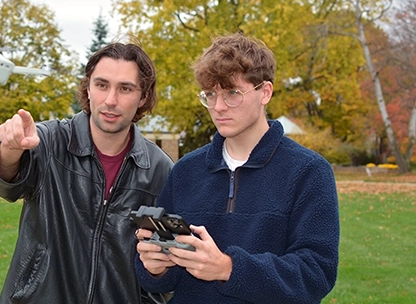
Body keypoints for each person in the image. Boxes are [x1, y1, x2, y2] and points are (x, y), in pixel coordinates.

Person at [134, 32, 340, 303]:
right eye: (210, 94)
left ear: (265, 92)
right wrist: (154, 267)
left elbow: (316, 273)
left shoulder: (309, 172)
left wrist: (229, 268)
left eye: (232, 93)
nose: (218, 107)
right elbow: (164, 278)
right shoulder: (185, 171)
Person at [0, 40, 173, 304]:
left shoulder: (160, 169)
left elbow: (164, 268)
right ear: (88, 88)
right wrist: (11, 150)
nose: (110, 100)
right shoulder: (50, 142)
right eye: (102, 85)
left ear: (143, 97)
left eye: (125, 88)